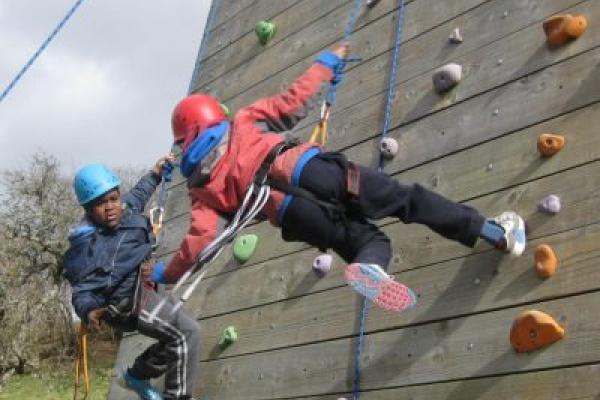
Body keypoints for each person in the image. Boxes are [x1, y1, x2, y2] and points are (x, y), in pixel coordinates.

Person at [146, 42, 527, 313]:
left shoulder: (200, 188)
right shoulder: (241, 120)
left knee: (368, 241)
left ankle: (372, 267)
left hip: (294, 215)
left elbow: (199, 242)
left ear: (184, 139)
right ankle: (493, 233)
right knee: (406, 200)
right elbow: (293, 102)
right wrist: (327, 62)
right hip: (314, 172)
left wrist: (166, 271)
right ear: (213, 114)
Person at [63, 158, 200, 400]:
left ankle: (137, 375)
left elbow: (138, 195)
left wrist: (155, 173)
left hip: (145, 291)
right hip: (127, 303)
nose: (110, 207)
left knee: (174, 337)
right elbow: (82, 291)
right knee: (186, 333)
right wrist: (89, 311)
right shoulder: (87, 248)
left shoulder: (124, 210)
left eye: (113, 199)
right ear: (88, 210)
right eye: (100, 204)